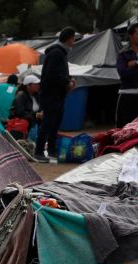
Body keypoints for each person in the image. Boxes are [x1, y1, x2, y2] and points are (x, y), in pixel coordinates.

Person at [35, 27, 77, 163]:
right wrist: (67, 82)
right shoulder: (56, 53)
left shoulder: (61, 53)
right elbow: (52, 74)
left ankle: (52, 151)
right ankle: (39, 151)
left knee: (55, 124)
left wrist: (70, 79)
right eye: (73, 38)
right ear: (69, 38)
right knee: (48, 123)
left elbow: (61, 72)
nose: (74, 41)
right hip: (50, 95)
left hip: (57, 95)